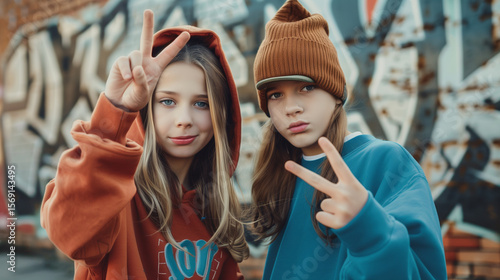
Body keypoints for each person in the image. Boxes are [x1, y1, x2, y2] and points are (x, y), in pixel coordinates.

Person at [41, 9, 249, 279]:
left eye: (201, 103)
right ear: (145, 110)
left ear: (222, 115)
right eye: (167, 101)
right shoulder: (116, 195)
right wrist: (115, 109)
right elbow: (68, 232)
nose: (184, 120)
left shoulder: (216, 208)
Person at [250, 0, 447, 279]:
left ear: (336, 93)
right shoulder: (280, 172)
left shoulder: (387, 162)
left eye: (306, 87)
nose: (290, 107)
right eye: (275, 94)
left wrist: (368, 229)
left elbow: (423, 273)